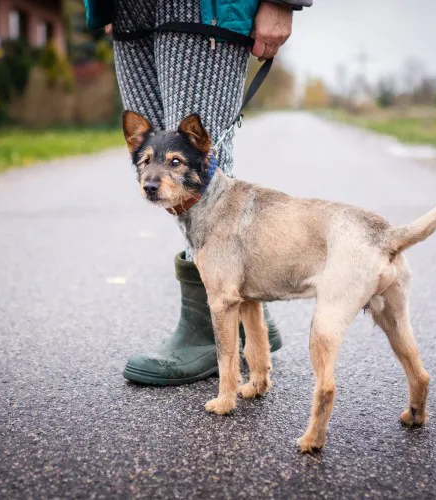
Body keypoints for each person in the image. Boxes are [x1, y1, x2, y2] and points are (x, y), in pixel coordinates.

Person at [84, 0, 312, 385]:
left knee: (200, 169)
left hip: (204, 7)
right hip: (130, 9)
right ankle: (246, 307)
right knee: (152, 160)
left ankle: (210, 327)